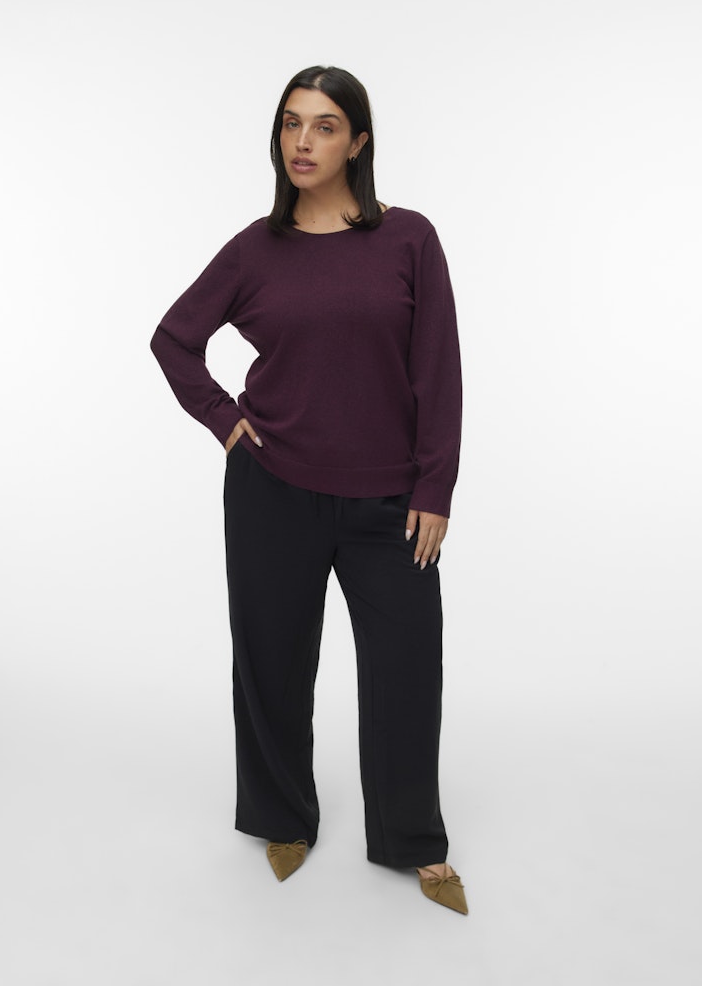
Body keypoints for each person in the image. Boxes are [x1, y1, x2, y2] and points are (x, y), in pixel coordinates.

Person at [150, 65, 466, 914]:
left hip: (389, 502)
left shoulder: (409, 239)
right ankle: (283, 820)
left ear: (358, 142)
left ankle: (411, 840)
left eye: (325, 126)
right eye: (292, 123)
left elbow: (437, 370)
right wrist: (226, 421)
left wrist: (434, 486)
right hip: (272, 489)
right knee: (271, 665)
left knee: (407, 671)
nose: (303, 141)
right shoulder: (255, 249)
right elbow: (174, 340)